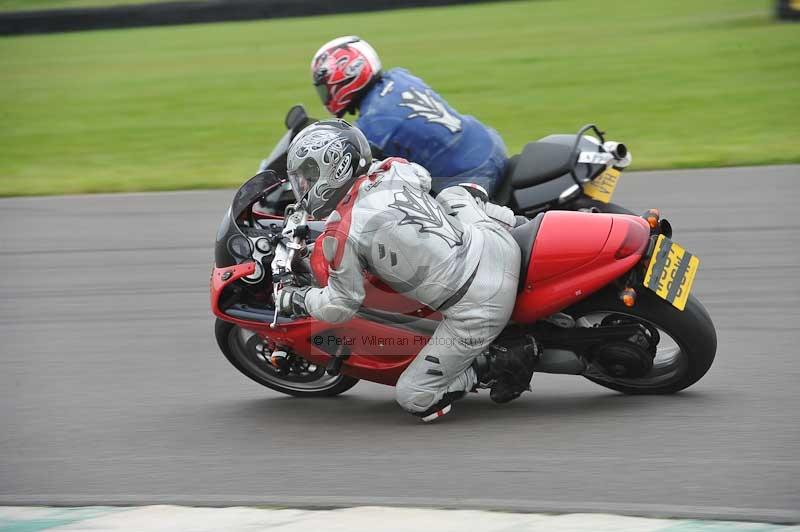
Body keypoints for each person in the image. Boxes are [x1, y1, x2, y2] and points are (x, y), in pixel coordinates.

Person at [274, 119, 537, 421]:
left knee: (414, 396)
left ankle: (503, 362)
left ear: (336, 168)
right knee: (453, 196)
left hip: (480, 302)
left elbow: (339, 306)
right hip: (493, 240)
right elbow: (422, 179)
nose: (304, 186)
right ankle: (519, 222)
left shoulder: (341, 234)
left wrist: (295, 299)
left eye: (309, 175)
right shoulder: (393, 169)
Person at [310, 36, 508, 197]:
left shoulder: (374, 123)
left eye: (325, 88)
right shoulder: (398, 76)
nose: (326, 95)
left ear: (345, 76)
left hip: (472, 174)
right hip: (490, 142)